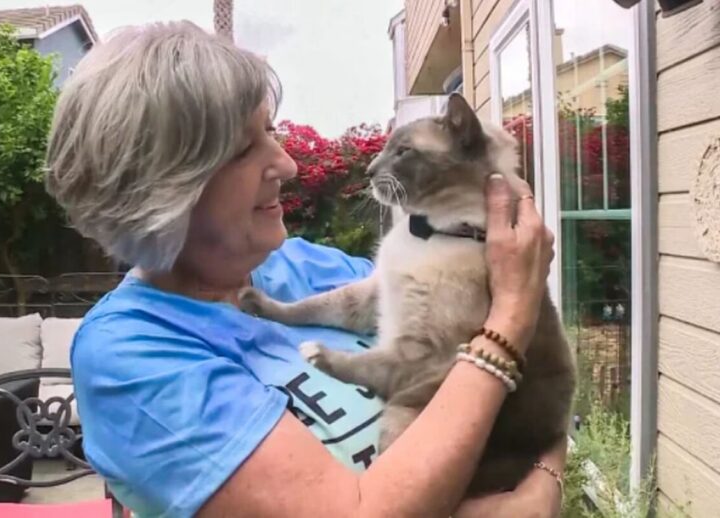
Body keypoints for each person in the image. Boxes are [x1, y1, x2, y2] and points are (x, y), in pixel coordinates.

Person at [45, 21, 565, 518]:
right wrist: (513, 314)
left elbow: (533, 381)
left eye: (270, 131)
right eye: (246, 148)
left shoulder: (309, 269)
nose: (288, 164)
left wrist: (545, 477)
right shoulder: (132, 356)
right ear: (162, 187)